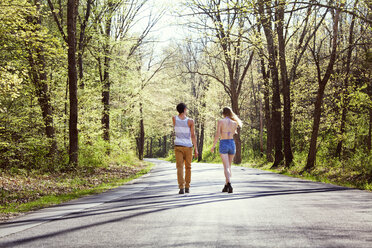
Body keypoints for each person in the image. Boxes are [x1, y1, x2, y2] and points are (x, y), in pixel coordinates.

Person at [211, 107, 243, 193]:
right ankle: (226, 186)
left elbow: (218, 134)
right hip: (232, 143)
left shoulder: (220, 121)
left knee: (226, 167)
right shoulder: (235, 123)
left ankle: (229, 184)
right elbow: (233, 133)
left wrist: (213, 146)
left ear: (223, 113)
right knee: (229, 167)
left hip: (224, 143)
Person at [172, 103, 198, 194]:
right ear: (184, 109)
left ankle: (181, 187)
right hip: (188, 146)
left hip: (178, 145)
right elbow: (193, 135)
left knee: (179, 167)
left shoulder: (174, 119)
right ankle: (187, 186)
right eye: (186, 109)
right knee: (188, 167)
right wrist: (196, 149)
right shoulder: (190, 121)